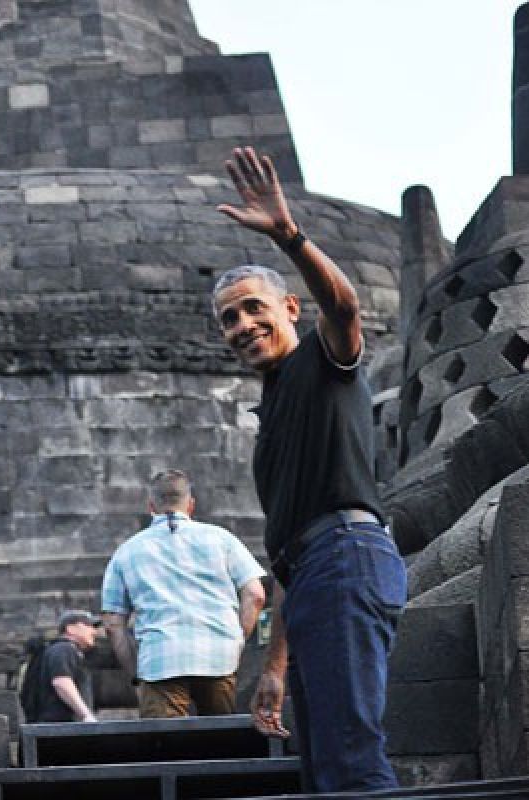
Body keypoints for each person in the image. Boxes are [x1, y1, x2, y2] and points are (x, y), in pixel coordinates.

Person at [211, 146, 408, 792]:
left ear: (290, 309)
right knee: (323, 770)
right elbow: (291, 554)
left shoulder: (323, 363)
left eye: (252, 308)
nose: (242, 325)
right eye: (228, 319)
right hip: (318, 574)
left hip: (350, 557)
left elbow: (346, 308)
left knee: (352, 759)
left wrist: (288, 234)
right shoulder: (272, 422)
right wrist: (274, 663)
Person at [101, 469, 266, 718]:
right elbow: (255, 595)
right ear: (191, 505)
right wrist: (236, 640)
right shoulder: (222, 539)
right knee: (225, 748)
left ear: (150, 506)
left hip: (159, 661)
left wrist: (137, 671)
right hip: (218, 656)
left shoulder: (127, 551)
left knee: (168, 751)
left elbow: (113, 623)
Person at [28, 610, 101, 722]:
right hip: (61, 729)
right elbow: (61, 682)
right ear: (70, 629)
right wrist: (86, 715)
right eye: (88, 625)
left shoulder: (64, 650)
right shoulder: (64, 649)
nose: (94, 631)